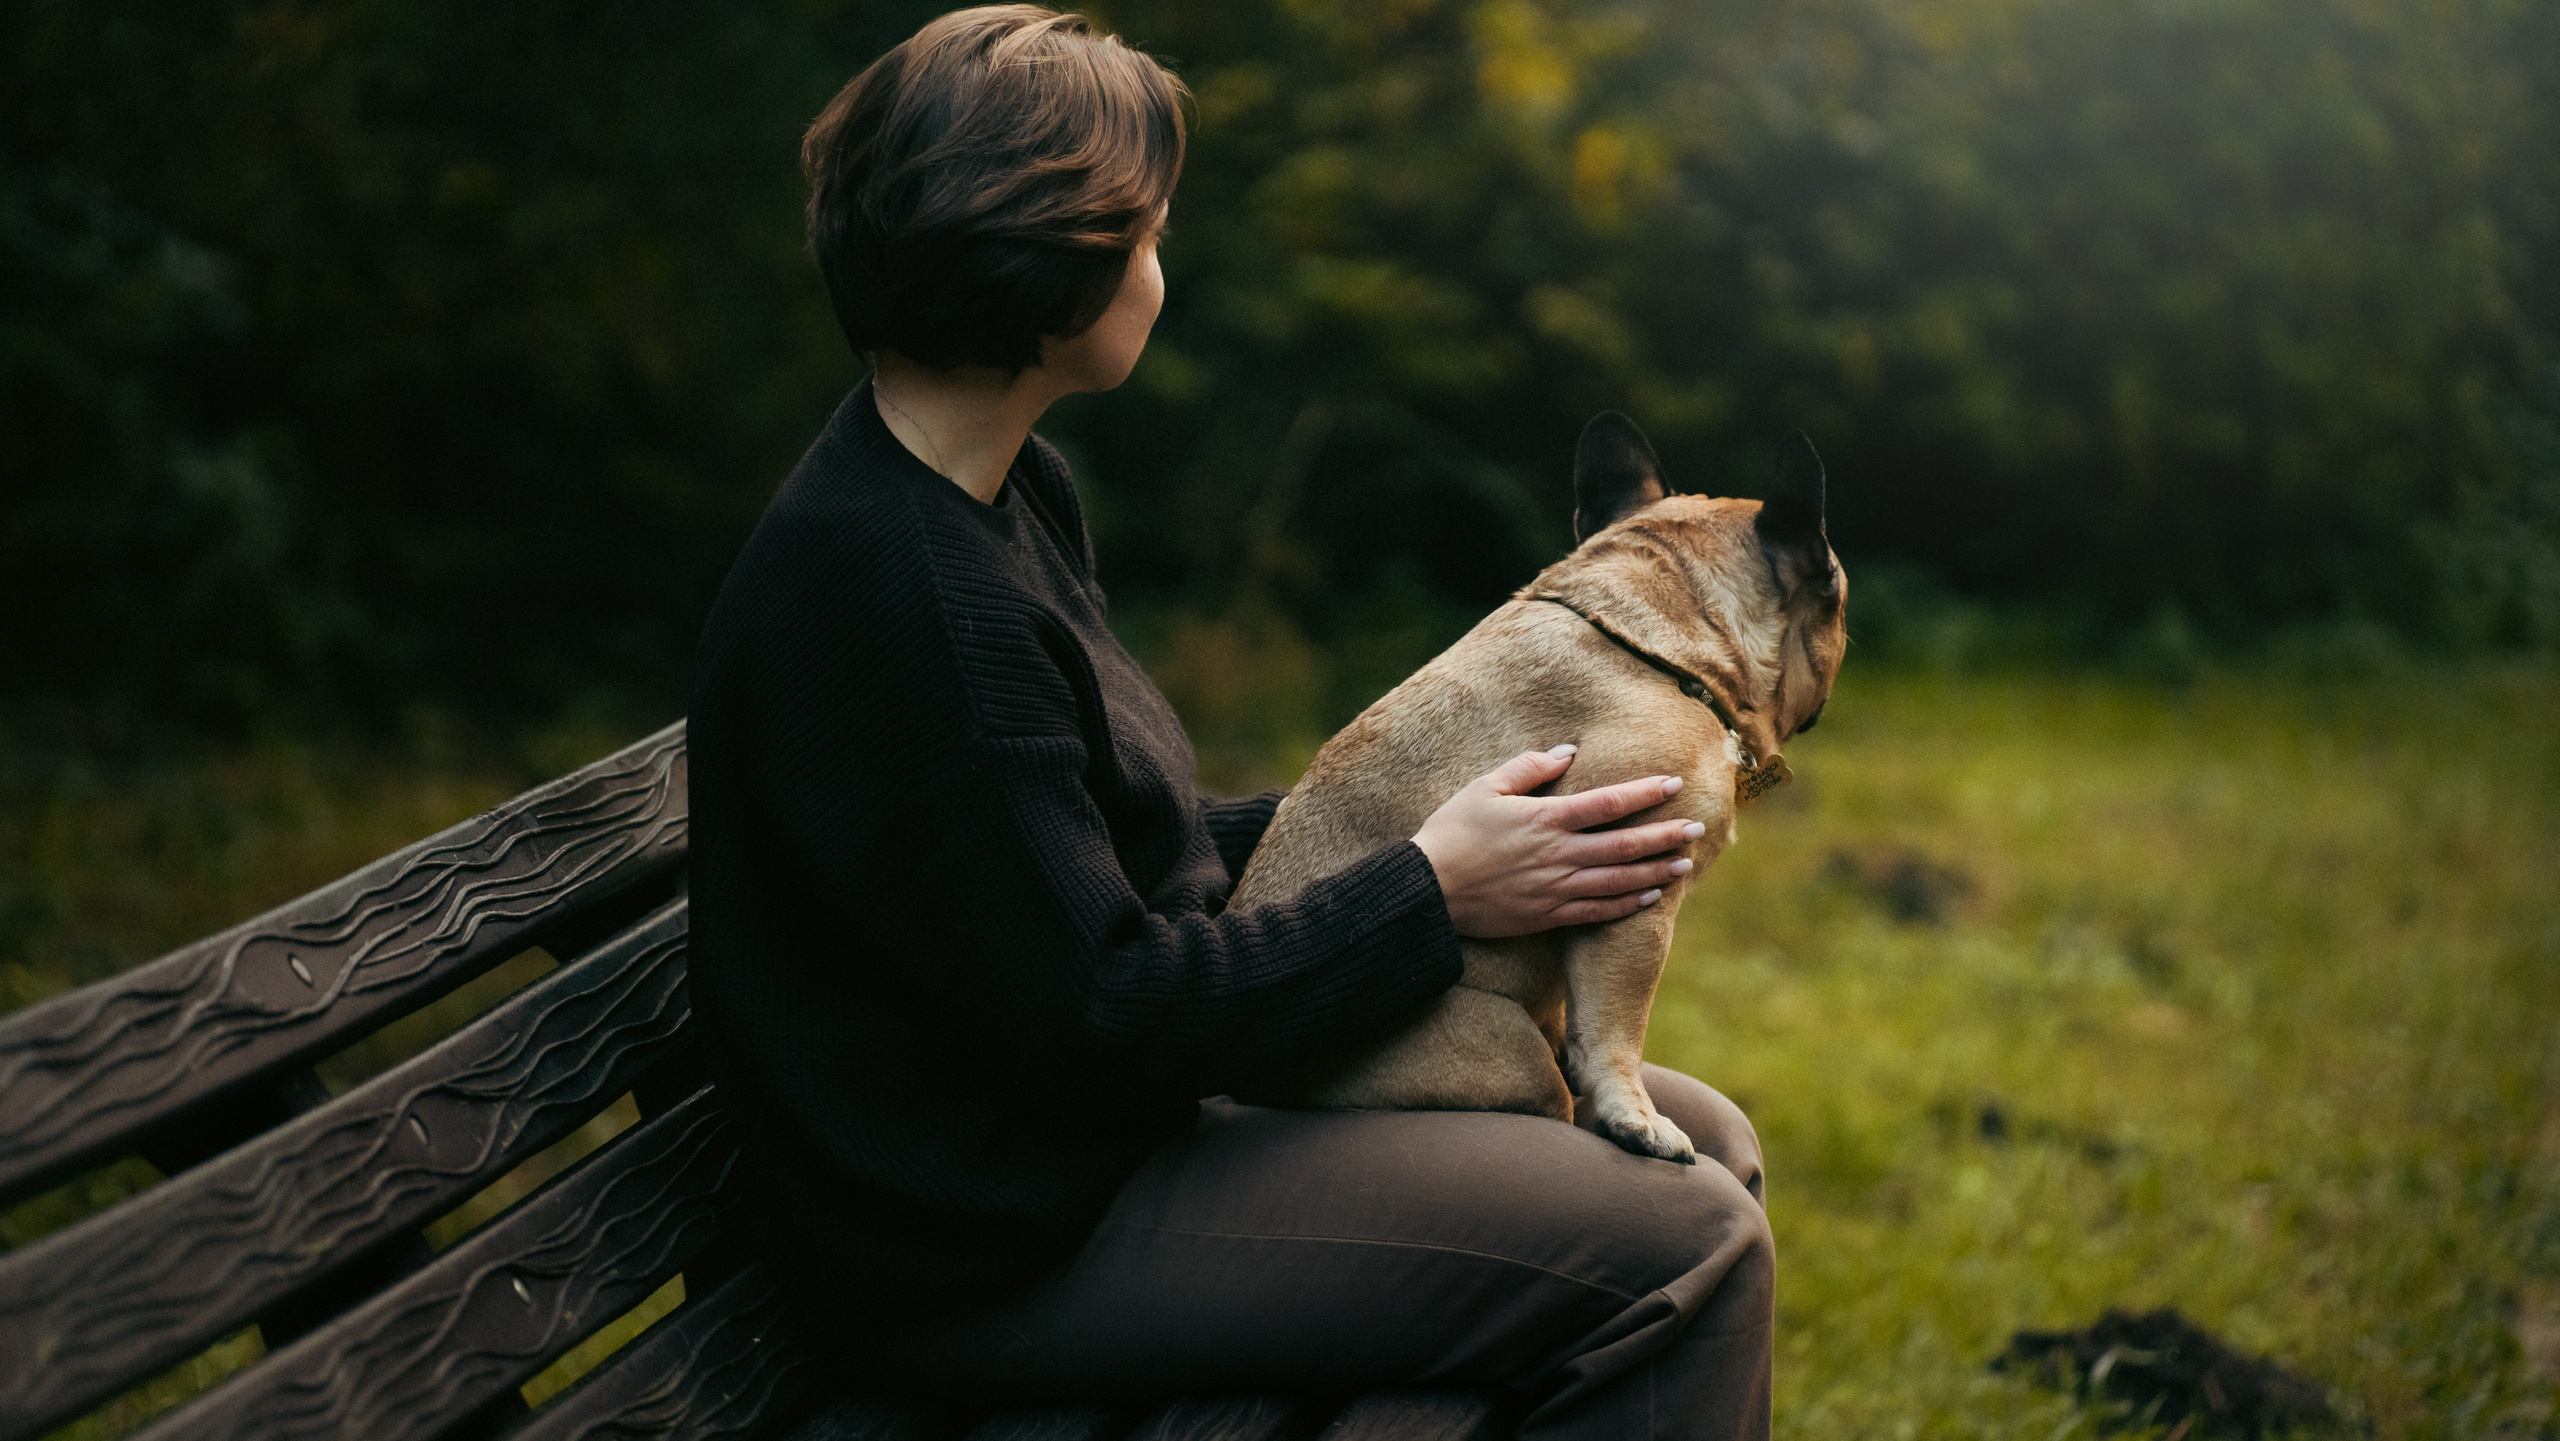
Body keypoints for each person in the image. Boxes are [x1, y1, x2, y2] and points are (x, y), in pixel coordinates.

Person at [684, 8, 1774, 1438]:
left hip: (1088, 1144)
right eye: (1141, 233)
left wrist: (1425, 824)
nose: (1160, 261)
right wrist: (1430, 890)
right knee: (1687, 1238)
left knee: (1710, 1143)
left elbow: (1059, 865)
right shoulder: (908, 603)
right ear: (1048, 267)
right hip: (999, 1240)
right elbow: (1103, 1013)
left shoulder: (987, 495)